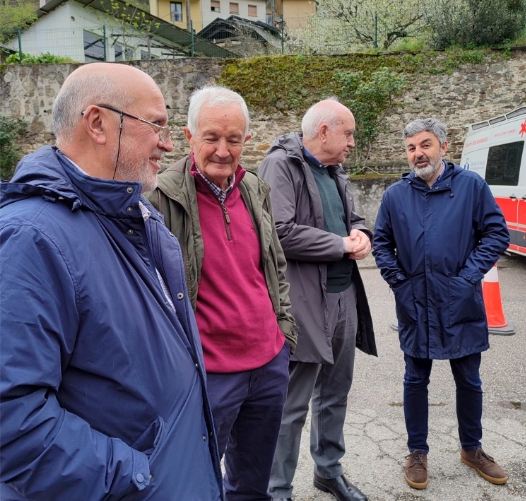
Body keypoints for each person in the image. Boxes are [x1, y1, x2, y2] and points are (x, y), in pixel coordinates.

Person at [0, 63, 223, 501]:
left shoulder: (137, 216)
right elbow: (12, 420)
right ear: (98, 123)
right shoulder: (30, 238)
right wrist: (135, 476)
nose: (168, 143)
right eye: (155, 124)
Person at [146, 85, 297, 501]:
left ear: (247, 140)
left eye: (234, 139)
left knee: (252, 485)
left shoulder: (254, 189)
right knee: (193, 483)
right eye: (211, 137)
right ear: (189, 136)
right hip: (206, 374)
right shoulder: (158, 198)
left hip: (268, 365)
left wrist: (284, 334)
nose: (223, 150)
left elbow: (275, 266)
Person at [373, 118, 510, 490]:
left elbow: (496, 233)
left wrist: (467, 278)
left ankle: (472, 448)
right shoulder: (395, 195)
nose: (418, 154)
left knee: (469, 380)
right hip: (415, 303)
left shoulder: (471, 187)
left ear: (444, 147)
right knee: (415, 379)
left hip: (460, 302)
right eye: (411, 148)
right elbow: (381, 243)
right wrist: (399, 283)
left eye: (425, 145)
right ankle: (417, 452)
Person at [258, 98, 377, 501]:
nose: (353, 143)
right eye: (348, 133)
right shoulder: (281, 164)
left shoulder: (334, 169)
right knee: (291, 405)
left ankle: (328, 471)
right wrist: (341, 244)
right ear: (324, 132)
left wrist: (361, 236)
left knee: (335, 393)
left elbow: (352, 220)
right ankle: (277, 489)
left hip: (345, 297)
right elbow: (279, 231)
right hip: (305, 303)